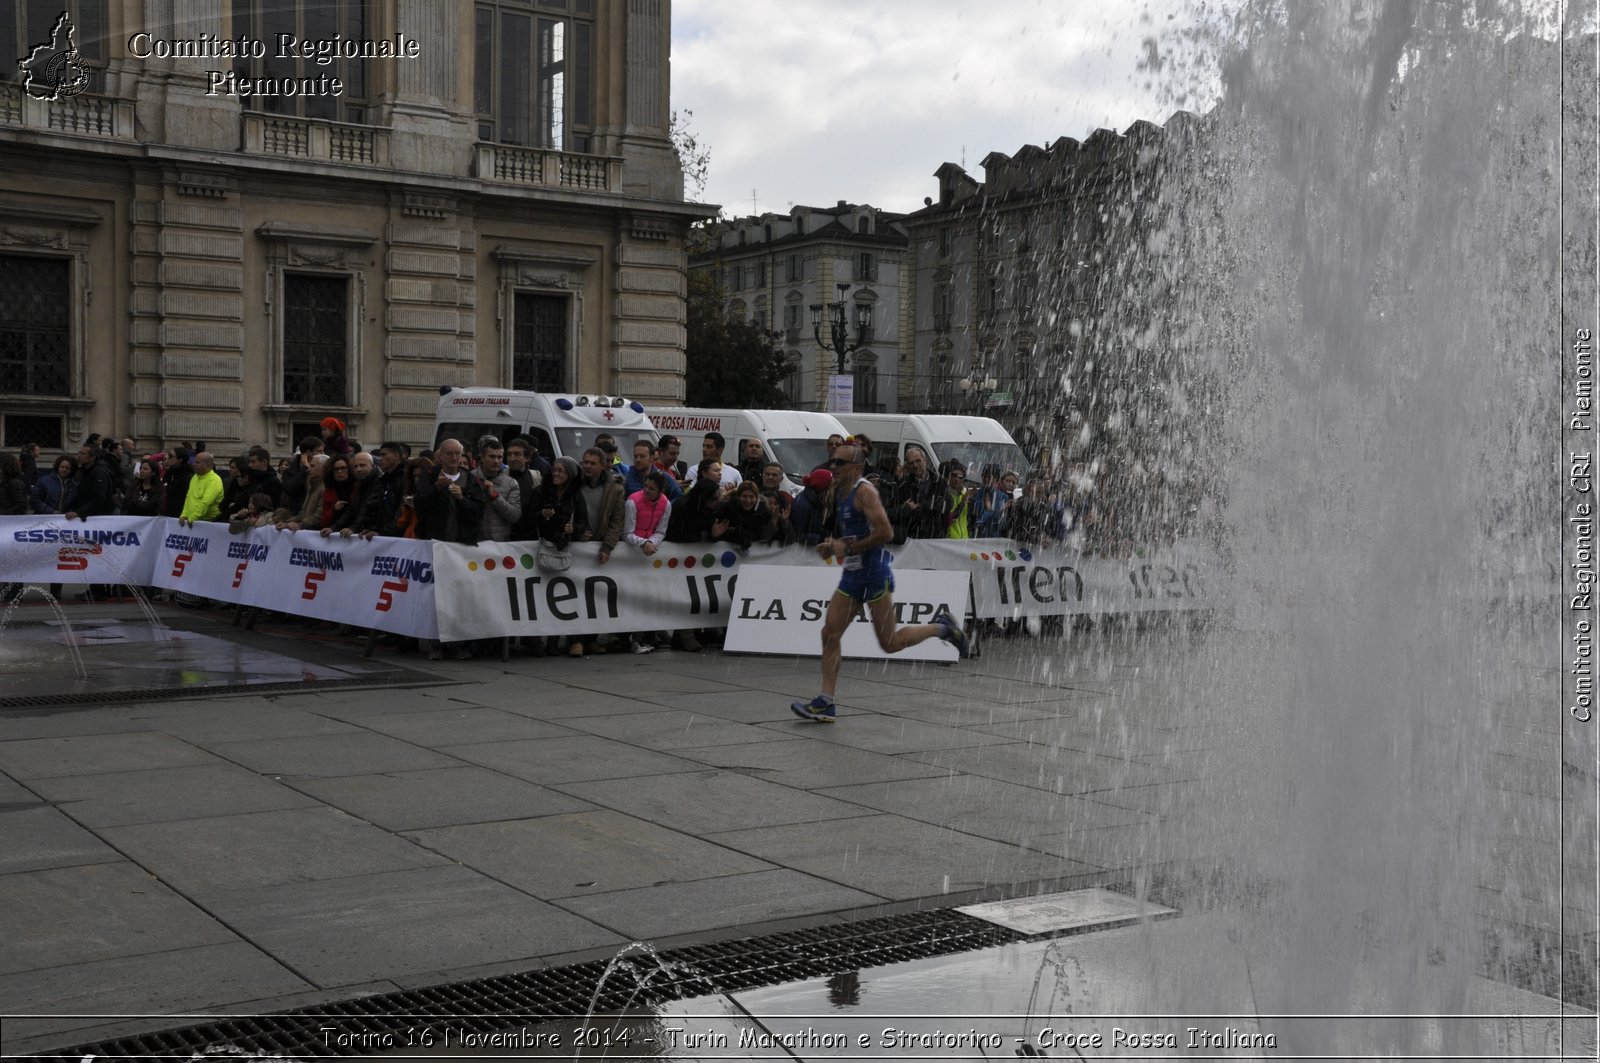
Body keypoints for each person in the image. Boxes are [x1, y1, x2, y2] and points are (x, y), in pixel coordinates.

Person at [790, 442, 968, 722]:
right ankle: (826, 701)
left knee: (890, 643)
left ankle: (942, 628)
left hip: (874, 575)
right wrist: (834, 544)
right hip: (852, 575)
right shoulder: (840, 491)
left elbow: (885, 533)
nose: (833, 467)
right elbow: (855, 533)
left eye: (840, 463)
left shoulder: (865, 492)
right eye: (833, 461)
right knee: (829, 633)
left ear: (857, 468)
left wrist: (847, 548)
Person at [621, 470, 672, 654]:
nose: (647, 491)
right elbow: (627, 533)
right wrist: (643, 542)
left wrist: (651, 543)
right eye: (645, 487)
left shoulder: (666, 504)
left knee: (648, 597)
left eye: (652, 488)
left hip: (649, 553)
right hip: (631, 553)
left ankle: (644, 637)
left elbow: (661, 531)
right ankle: (631, 639)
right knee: (633, 598)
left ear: (660, 490)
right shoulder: (632, 502)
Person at [472, 437, 522, 542]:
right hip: (474, 543)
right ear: (482, 457)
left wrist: (495, 497)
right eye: (492, 456)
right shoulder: (469, 478)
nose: (496, 461)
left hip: (500, 544)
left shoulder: (511, 483)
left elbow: (514, 516)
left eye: (499, 457)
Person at [888, 445, 942, 541]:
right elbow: (894, 509)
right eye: (911, 463)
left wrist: (926, 505)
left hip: (934, 537)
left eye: (918, 461)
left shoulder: (938, 481)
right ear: (908, 466)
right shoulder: (902, 485)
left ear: (925, 461)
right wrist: (906, 508)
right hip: (911, 538)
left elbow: (947, 504)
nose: (915, 465)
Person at [64, 440, 122, 520]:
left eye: (83, 454)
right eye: (79, 453)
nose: (79, 456)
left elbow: (99, 499)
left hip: (99, 518)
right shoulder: (83, 471)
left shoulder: (99, 472)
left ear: (92, 457)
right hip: (89, 515)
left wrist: (79, 512)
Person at [715, 480, 778, 548]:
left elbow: (764, 537)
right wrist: (737, 533)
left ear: (757, 498)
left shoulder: (762, 512)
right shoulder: (728, 508)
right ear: (739, 497)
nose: (748, 501)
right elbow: (719, 532)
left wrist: (774, 521)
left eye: (751, 497)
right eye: (744, 496)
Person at [788, 468, 833, 546]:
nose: (834, 487)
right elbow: (797, 535)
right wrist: (822, 538)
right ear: (823, 488)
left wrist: (827, 534)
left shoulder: (816, 500)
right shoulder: (803, 505)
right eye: (832, 485)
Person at [178, 452, 224, 525]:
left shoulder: (215, 480)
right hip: (192, 520)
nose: (193, 464)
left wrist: (193, 518)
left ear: (207, 465)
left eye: (197, 462)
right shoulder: (194, 477)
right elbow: (189, 498)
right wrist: (184, 515)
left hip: (208, 523)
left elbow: (206, 502)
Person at [940, 460, 975, 539]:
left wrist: (972, 502)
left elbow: (971, 519)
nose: (956, 479)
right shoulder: (944, 494)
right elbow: (949, 519)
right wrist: (963, 501)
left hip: (964, 540)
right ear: (949, 476)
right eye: (953, 475)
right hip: (949, 541)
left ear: (963, 480)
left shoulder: (964, 493)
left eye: (960, 477)